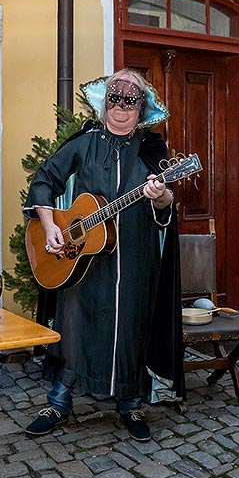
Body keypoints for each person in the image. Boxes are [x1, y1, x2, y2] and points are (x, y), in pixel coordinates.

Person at [22, 69, 183, 443]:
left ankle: (130, 403)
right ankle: (59, 402)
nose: (121, 106)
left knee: (131, 326)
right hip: (84, 256)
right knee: (76, 324)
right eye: (115, 98)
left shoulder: (153, 149)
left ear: (141, 108)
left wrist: (159, 195)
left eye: (130, 100)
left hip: (135, 253)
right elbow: (45, 179)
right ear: (104, 102)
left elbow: (167, 205)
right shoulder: (85, 142)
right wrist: (49, 225)